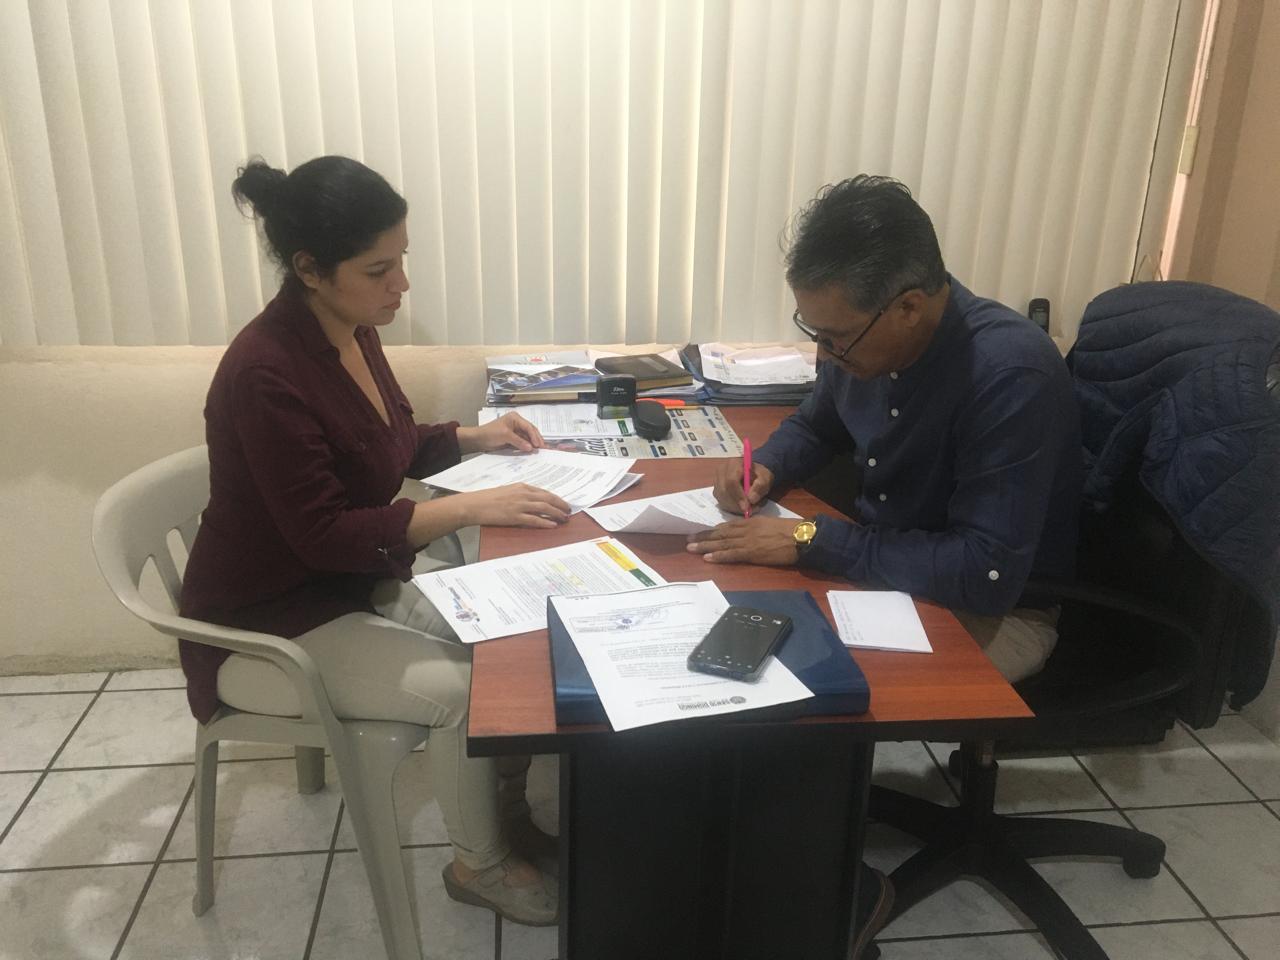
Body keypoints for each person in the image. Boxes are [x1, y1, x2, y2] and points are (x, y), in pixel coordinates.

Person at [686, 174, 1083, 954]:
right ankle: (755, 846)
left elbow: (983, 572)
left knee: (794, 676)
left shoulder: (1010, 374)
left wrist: (809, 541)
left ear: (908, 306)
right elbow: (818, 422)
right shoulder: (865, 341)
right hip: (896, 571)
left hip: (998, 608)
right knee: (738, 629)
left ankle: (837, 893)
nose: (823, 352)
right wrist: (765, 470)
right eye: (813, 330)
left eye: (835, 337)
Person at [178, 155, 568, 926]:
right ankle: (479, 865)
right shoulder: (266, 372)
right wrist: (466, 509)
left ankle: (503, 807)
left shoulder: (352, 330)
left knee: (503, 643)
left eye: (402, 261)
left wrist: (475, 436)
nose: (402, 285)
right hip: (269, 619)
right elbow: (323, 535)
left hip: (346, 579)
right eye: (379, 270)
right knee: (463, 693)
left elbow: (385, 444)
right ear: (310, 269)